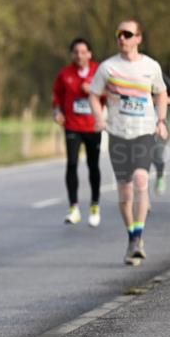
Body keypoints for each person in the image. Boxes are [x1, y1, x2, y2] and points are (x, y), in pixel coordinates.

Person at [88, 19, 167, 265]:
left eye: (128, 34)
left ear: (138, 38)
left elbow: (161, 93)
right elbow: (93, 94)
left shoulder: (150, 66)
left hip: (144, 131)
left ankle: (138, 237)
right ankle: (131, 235)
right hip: (118, 133)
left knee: (141, 179)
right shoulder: (108, 67)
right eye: (119, 34)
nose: (122, 38)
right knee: (124, 189)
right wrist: (99, 118)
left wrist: (161, 120)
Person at [52, 37, 102, 226]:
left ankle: (95, 206)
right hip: (72, 125)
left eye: (83, 52)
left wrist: (93, 90)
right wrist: (57, 111)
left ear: (89, 54)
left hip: (93, 126)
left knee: (93, 165)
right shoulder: (65, 74)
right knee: (72, 164)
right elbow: (57, 95)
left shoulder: (99, 71)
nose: (79, 55)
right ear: (72, 54)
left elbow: (111, 92)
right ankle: (73, 208)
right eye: (76, 52)